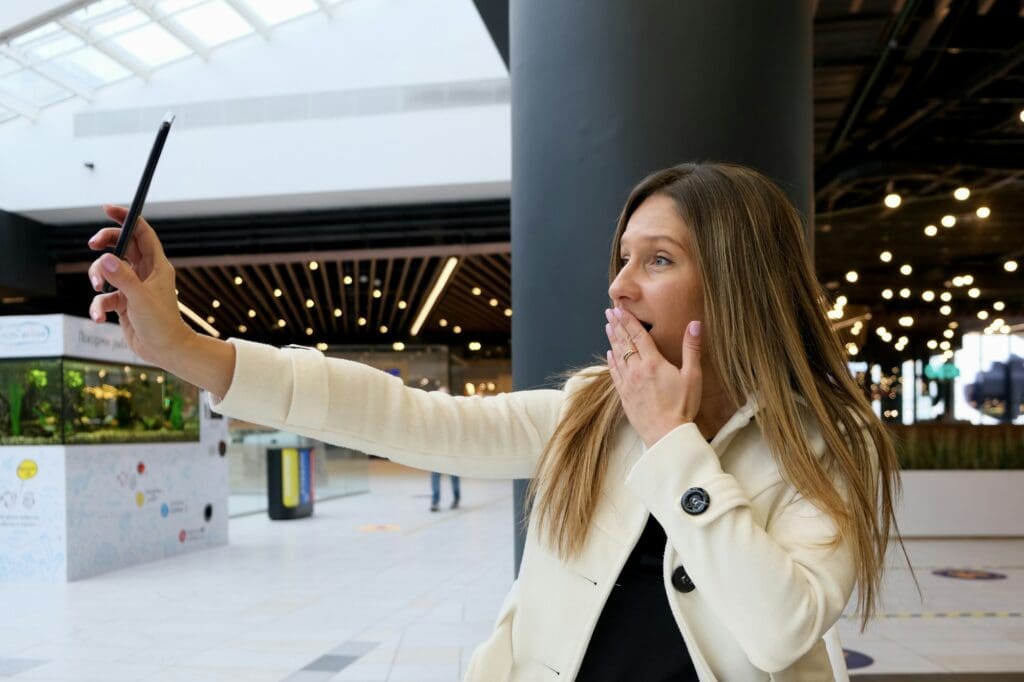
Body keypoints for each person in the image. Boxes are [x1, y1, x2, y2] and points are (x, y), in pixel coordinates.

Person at [87, 162, 906, 681]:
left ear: (737, 283)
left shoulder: (830, 443)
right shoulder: (591, 410)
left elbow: (778, 634)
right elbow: (409, 417)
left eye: (658, 259)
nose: (620, 285)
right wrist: (189, 350)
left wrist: (673, 443)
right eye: (622, 257)